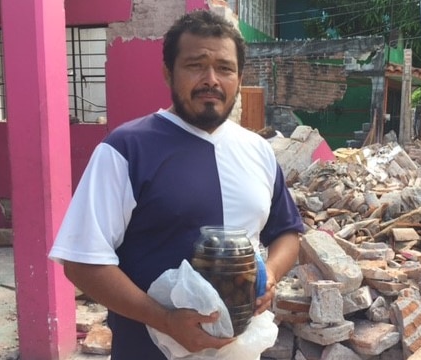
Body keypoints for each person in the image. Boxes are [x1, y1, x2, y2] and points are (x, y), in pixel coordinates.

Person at [49, 10, 304, 359]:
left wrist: (270, 274)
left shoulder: (258, 151)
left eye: (225, 68)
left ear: (239, 77)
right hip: (149, 350)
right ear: (169, 72)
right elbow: (82, 261)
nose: (211, 79)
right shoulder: (126, 149)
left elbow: (287, 232)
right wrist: (166, 320)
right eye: (196, 65)